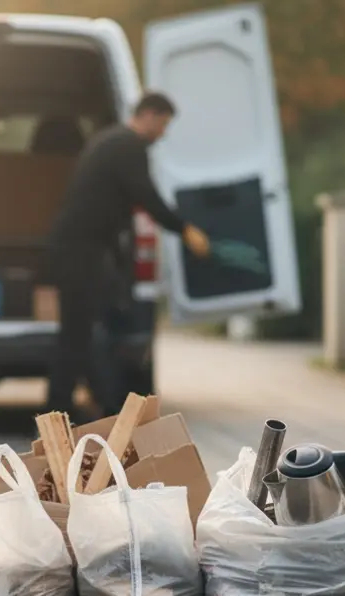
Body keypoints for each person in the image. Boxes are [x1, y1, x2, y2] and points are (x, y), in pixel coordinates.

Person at [42, 92, 210, 421]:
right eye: (162, 124)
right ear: (147, 115)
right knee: (80, 334)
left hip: (80, 250)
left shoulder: (111, 142)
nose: (163, 133)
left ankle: (86, 408)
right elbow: (144, 194)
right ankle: (62, 413)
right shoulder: (127, 146)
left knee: (84, 332)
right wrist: (183, 228)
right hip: (81, 253)